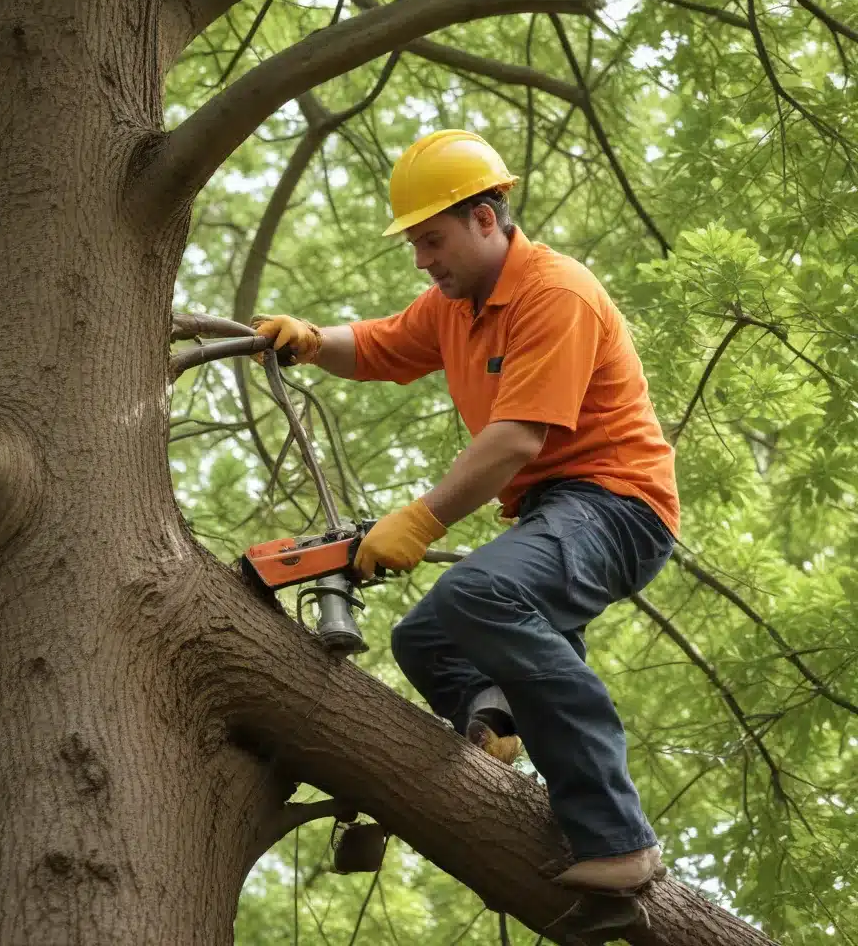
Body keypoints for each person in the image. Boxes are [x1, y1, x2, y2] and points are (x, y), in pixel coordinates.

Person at [252, 129, 678, 893]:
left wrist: (421, 518)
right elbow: (380, 346)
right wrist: (313, 341)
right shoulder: (457, 305)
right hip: (555, 510)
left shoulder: (555, 292)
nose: (422, 258)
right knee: (427, 637)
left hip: (618, 505)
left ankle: (620, 838)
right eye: (415, 243)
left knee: (478, 594)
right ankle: (496, 720)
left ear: (487, 217)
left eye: (432, 239)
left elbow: (516, 438)